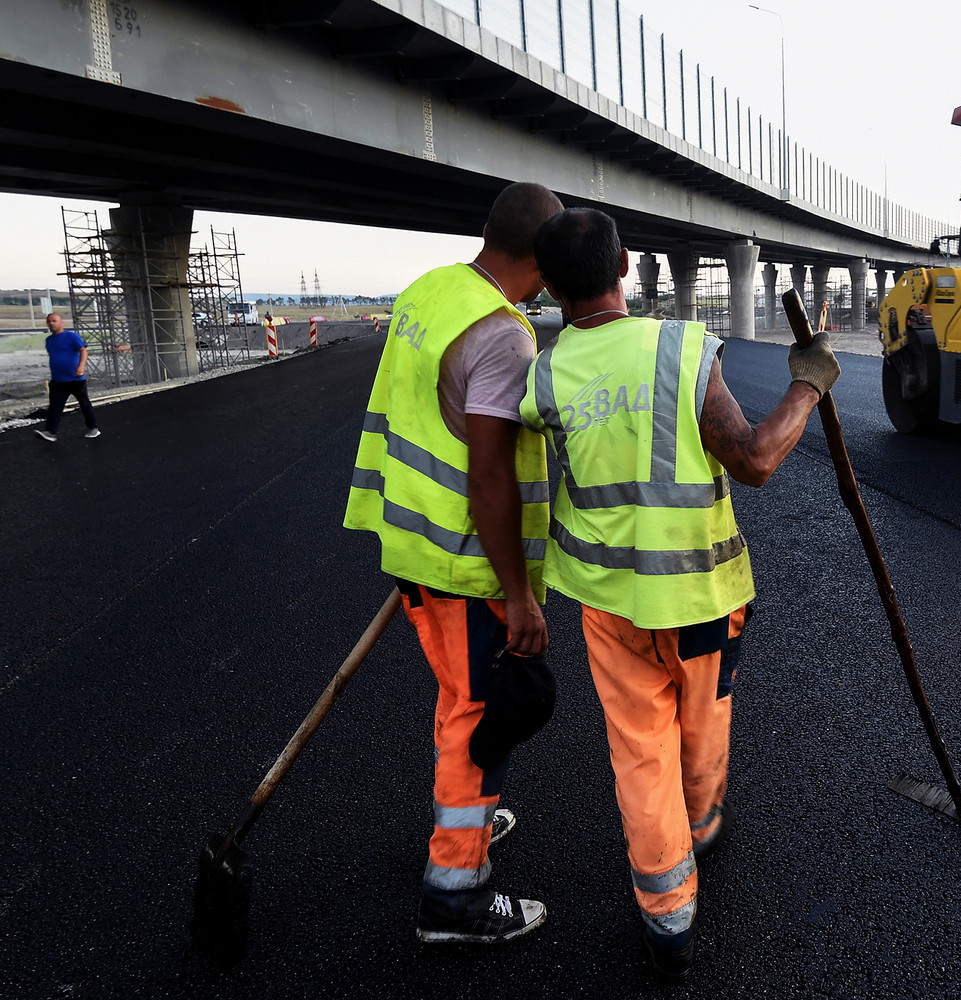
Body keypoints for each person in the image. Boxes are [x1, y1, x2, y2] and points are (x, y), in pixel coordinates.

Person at [520, 208, 841, 981]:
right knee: (704, 721)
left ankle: (667, 917)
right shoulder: (681, 349)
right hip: (703, 599)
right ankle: (702, 825)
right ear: (626, 266)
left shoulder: (545, 375)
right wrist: (807, 386)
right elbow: (756, 460)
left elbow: (512, 468)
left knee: (640, 752)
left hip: (611, 604)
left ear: (552, 289)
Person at [343, 182, 564, 945]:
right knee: (480, 718)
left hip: (410, 544)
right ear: (542, 259)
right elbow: (491, 475)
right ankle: (455, 893)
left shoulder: (429, 291)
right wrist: (519, 596)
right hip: (466, 567)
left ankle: (465, 819)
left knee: (457, 700)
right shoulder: (503, 335)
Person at [36, 313, 99, 441]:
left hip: (75, 379)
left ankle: (93, 428)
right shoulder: (49, 340)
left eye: (54, 321)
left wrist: (81, 367)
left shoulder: (71, 336)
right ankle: (50, 432)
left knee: (84, 404)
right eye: (49, 321)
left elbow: (83, 350)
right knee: (55, 406)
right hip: (58, 380)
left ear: (61, 322)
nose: (51, 323)